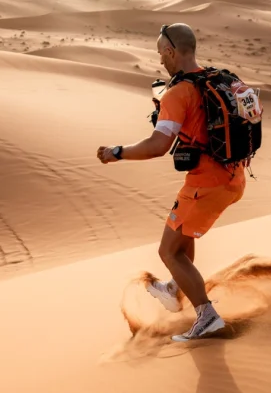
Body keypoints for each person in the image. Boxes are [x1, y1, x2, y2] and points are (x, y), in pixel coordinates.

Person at [96, 23, 247, 342]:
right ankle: (176, 287)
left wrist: (116, 152)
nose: (160, 60)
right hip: (233, 177)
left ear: (170, 51)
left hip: (206, 184)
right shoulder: (217, 79)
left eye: (160, 54)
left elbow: (157, 146)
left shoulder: (178, 92)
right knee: (182, 236)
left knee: (168, 252)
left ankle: (207, 318)